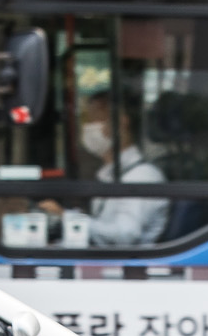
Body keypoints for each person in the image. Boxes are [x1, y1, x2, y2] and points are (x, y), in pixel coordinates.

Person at [42, 92, 169, 248]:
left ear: (121, 123)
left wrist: (67, 217)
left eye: (93, 119)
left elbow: (125, 235)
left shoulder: (141, 176)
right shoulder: (112, 173)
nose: (87, 128)